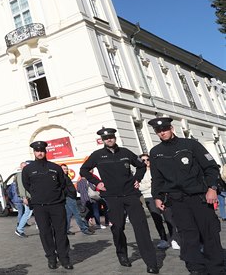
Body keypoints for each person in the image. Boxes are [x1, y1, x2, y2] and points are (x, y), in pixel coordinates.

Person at [148, 117, 225, 274]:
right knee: (188, 237)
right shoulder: (155, 153)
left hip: (199, 198)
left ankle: (217, 268)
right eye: (158, 131)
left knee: (209, 233)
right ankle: (196, 268)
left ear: (172, 128)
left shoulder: (191, 145)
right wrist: (157, 196)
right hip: (177, 201)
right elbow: (157, 178)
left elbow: (210, 168)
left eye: (165, 129)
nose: (162, 132)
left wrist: (212, 188)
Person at [80, 127, 158, 273]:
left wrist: (137, 179)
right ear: (102, 141)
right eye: (106, 138)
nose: (109, 139)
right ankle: (122, 254)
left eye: (111, 137)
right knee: (117, 228)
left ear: (115, 138)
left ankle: (151, 262)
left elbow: (141, 166)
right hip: (112, 197)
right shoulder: (97, 155)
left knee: (141, 227)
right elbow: (84, 170)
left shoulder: (125, 152)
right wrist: (97, 183)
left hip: (130, 195)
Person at [22, 141, 73, 270]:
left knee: (61, 232)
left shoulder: (55, 168)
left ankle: (64, 258)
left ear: (45, 152)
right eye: (37, 151)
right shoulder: (28, 169)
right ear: (34, 152)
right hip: (40, 206)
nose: (39, 153)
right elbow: (26, 185)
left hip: (57, 205)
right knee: (45, 233)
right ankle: (51, 258)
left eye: (42, 151)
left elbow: (62, 184)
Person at [138, 153, 180, 250]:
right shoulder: (139, 173)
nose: (146, 162)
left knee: (169, 218)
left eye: (148, 159)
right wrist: (150, 184)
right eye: (143, 160)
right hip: (148, 197)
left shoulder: (156, 170)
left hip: (161, 196)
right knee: (157, 219)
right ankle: (163, 239)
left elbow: (163, 182)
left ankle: (174, 239)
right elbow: (140, 187)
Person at [60, 164, 94, 236]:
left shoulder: (65, 177)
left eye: (66, 169)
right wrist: (70, 194)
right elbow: (62, 188)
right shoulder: (62, 177)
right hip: (69, 197)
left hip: (69, 197)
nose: (65, 170)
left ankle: (66, 230)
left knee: (68, 215)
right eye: (63, 169)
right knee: (77, 214)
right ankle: (84, 229)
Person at [14, 161, 33, 238]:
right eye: (24, 166)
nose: (26, 168)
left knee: (32, 212)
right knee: (27, 213)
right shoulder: (21, 175)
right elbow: (22, 188)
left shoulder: (26, 174)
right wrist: (24, 197)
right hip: (27, 198)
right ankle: (19, 229)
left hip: (31, 197)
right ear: (21, 167)